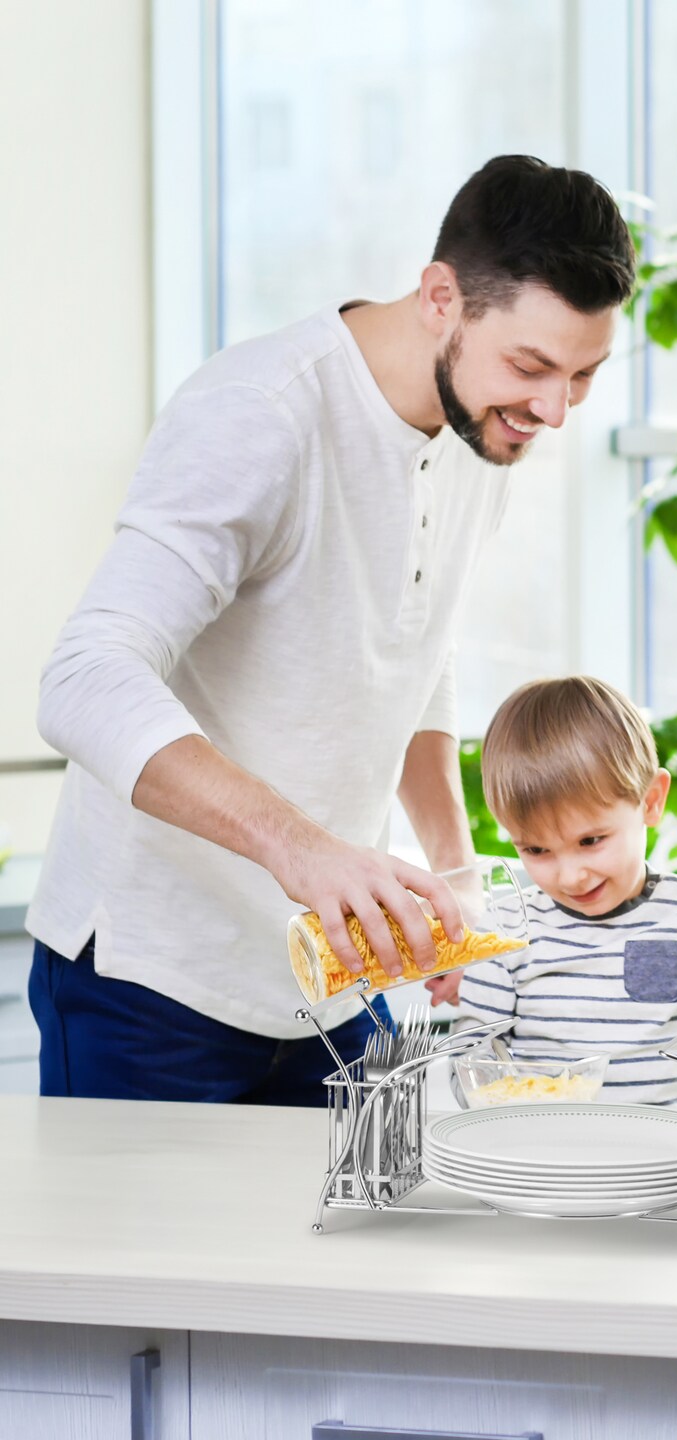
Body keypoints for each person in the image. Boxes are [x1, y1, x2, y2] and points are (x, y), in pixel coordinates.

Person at [26, 156, 635, 1105]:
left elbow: (414, 654)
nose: (554, 411)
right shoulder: (260, 416)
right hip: (153, 983)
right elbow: (83, 679)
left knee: (361, 1252)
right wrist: (305, 852)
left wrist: (456, 870)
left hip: (336, 984)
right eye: (532, 367)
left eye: (585, 376)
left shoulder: (482, 434)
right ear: (442, 297)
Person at [424, 677, 677, 1132]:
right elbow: (470, 1056)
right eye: (536, 850)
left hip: (670, 1163)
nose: (570, 875)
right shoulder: (506, 925)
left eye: (591, 840)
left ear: (650, 801)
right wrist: (489, 1085)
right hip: (542, 1161)